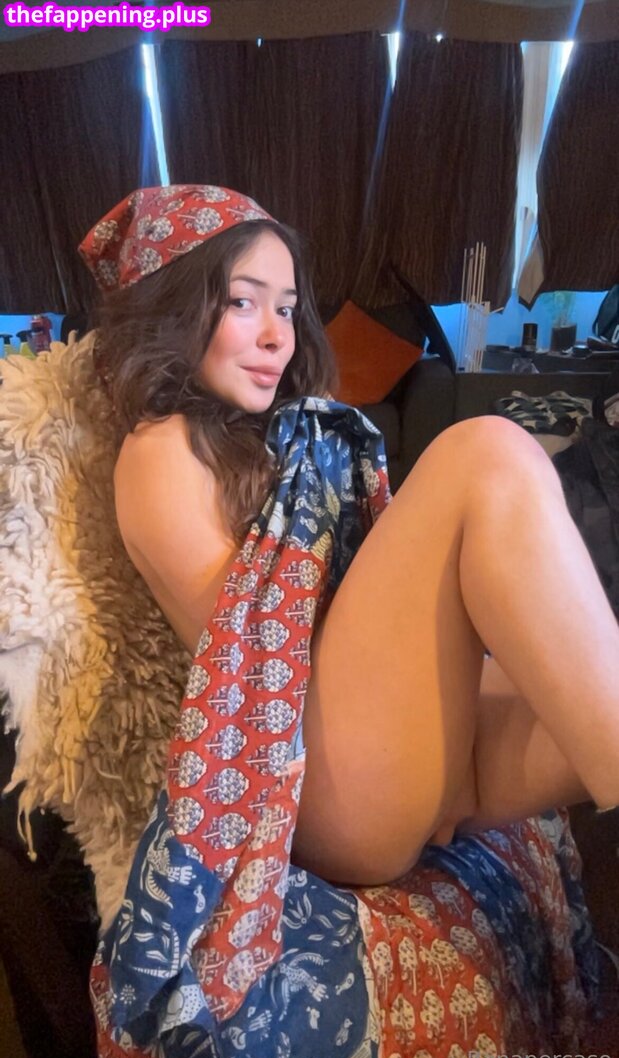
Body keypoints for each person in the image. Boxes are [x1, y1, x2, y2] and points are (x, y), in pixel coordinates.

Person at [80, 183, 619, 896]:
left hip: (376, 747)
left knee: (580, 664)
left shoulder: (265, 435)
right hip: (319, 781)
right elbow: (258, 665)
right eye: (242, 302)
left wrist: (460, 676)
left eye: (286, 308)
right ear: (172, 309)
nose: (277, 335)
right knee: (484, 452)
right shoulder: (159, 450)